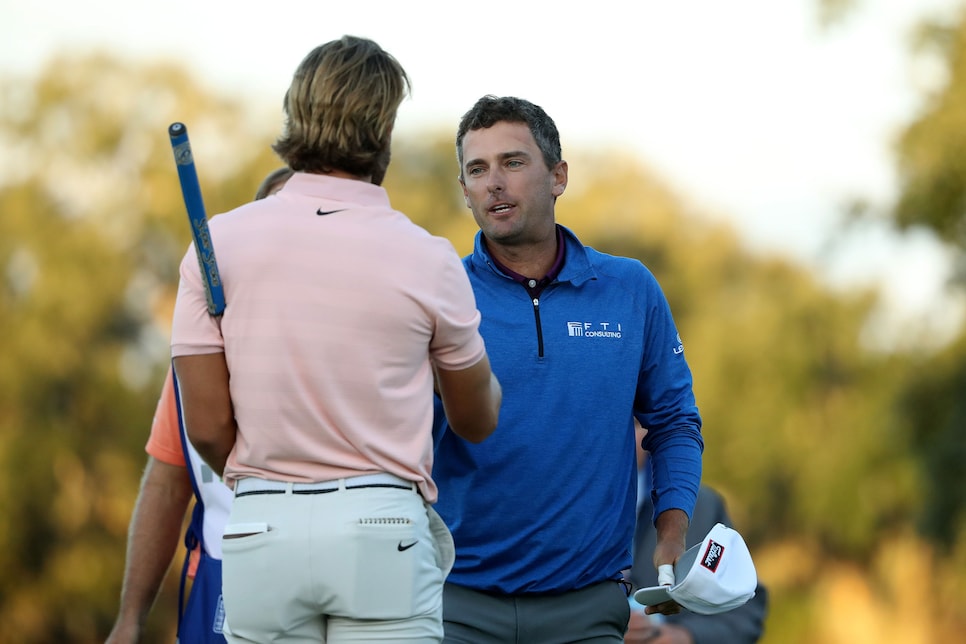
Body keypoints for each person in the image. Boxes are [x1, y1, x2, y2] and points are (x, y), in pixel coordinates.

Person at [170, 36, 502, 644]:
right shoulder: (426, 257)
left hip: (262, 522)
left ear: (297, 113)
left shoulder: (219, 243)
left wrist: (272, 482)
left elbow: (208, 429)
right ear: (384, 128)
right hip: (382, 525)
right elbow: (476, 419)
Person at [431, 95, 704, 643]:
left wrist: (671, 531)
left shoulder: (630, 289)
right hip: (454, 604)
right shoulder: (439, 291)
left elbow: (674, 421)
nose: (494, 183)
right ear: (464, 192)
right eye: (477, 170)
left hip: (587, 609)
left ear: (557, 176)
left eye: (512, 162)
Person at [106, 167, 293, 644]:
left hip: (324, 582)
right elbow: (167, 485)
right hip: (219, 579)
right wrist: (129, 620)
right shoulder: (195, 363)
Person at [625, 425, 768, 644]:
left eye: (633, 423)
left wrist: (687, 637)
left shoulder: (703, 507)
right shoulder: (557, 506)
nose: (620, 434)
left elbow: (746, 609)